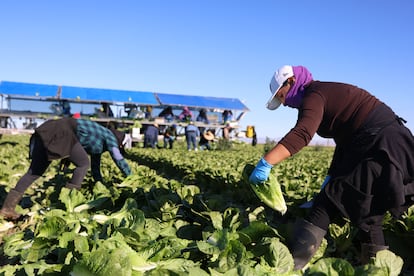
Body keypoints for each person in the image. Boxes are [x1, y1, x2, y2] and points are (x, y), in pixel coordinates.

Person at [248, 65, 414, 269]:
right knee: (367, 212)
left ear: (290, 82)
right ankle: (377, 271)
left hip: (381, 143)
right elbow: (345, 143)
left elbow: (302, 133)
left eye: (281, 96)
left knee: (330, 203)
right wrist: (332, 175)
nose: (283, 103)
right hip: (380, 141)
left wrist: (267, 162)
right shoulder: (321, 94)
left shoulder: (314, 95)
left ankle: (292, 267)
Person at [0, 117, 131, 221]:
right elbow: (117, 158)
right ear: (120, 143)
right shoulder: (110, 137)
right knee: (84, 164)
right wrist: (130, 177)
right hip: (60, 132)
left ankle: (7, 208)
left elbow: (95, 169)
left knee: (34, 173)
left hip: (47, 130)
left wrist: (101, 187)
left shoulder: (98, 138)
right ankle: (68, 204)